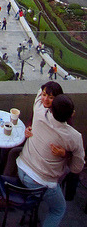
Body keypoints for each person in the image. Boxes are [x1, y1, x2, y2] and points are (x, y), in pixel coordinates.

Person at [16, 92, 84, 227]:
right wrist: (66, 154)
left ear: (51, 108)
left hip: (20, 168)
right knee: (59, 209)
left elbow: (40, 91)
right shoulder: (75, 137)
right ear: (72, 114)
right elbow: (77, 168)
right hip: (39, 183)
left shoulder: (40, 111)